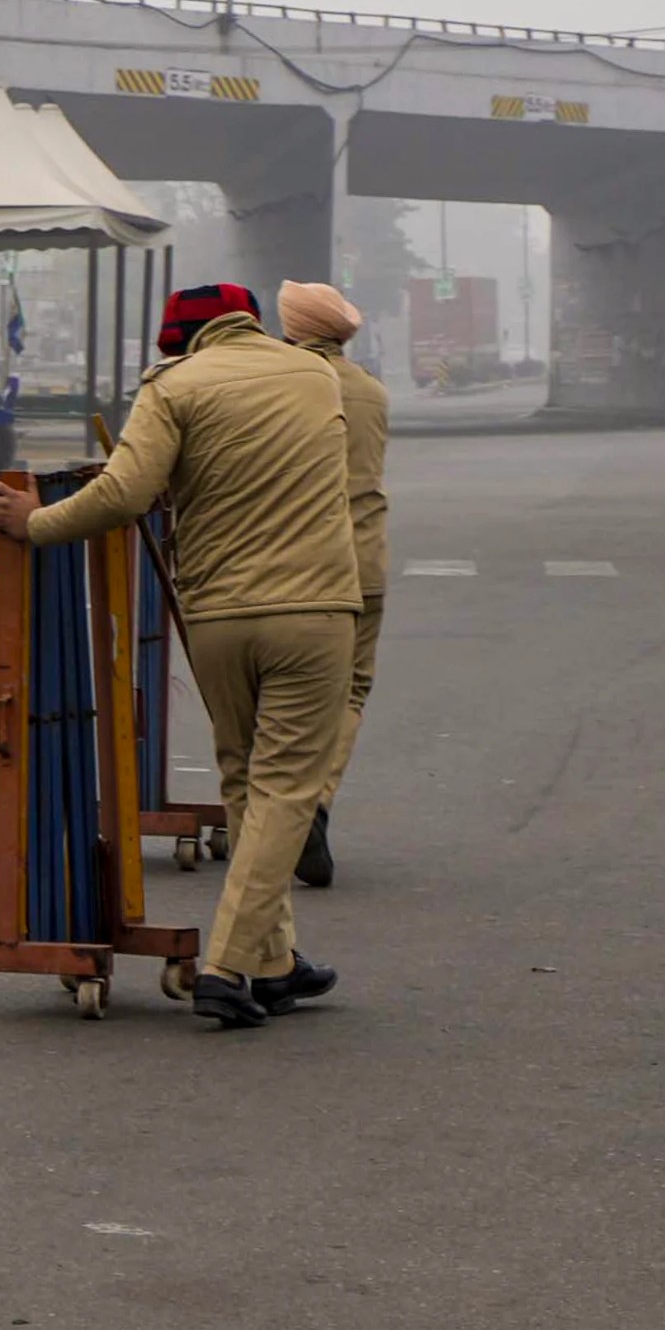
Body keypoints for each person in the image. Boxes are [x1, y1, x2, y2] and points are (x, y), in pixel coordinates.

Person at [0, 283, 358, 1030]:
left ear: (180, 342)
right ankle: (228, 966)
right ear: (249, 322)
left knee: (247, 783)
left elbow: (125, 494)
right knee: (285, 790)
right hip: (314, 613)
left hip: (218, 617)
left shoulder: (173, 386)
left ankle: (274, 963)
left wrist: (37, 521)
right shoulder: (317, 374)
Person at [275, 282, 388, 890]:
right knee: (350, 689)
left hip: (293, 564)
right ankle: (316, 800)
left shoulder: (279, 384)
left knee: (283, 694)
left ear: (292, 329)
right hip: (363, 563)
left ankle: (275, 812)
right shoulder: (371, 391)